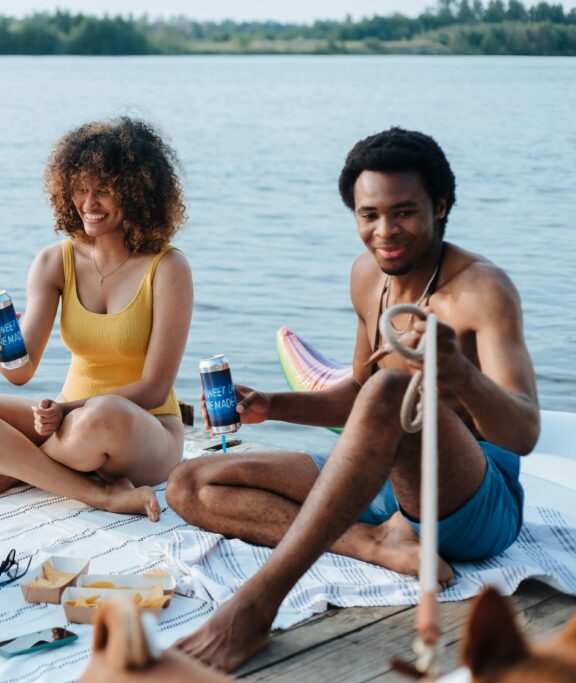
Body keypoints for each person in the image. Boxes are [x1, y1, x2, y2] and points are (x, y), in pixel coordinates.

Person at [166, 127, 540, 671]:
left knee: (395, 388)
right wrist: (274, 405)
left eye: (404, 212)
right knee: (191, 484)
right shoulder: (369, 276)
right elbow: (360, 394)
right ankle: (372, 544)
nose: (384, 231)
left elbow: (524, 432)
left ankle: (255, 605)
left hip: (473, 503)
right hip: (386, 486)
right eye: (368, 215)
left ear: (440, 206)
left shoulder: (482, 290)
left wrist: (460, 375)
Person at [0, 117, 193, 521]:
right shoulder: (54, 261)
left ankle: (22, 469)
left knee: (103, 415)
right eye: (80, 189)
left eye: (104, 190)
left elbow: (155, 389)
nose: (89, 203)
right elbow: (22, 373)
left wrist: (68, 412)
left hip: (142, 429)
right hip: (67, 424)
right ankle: (100, 494)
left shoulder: (168, 267)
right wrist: (1, 352)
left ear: (138, 193)